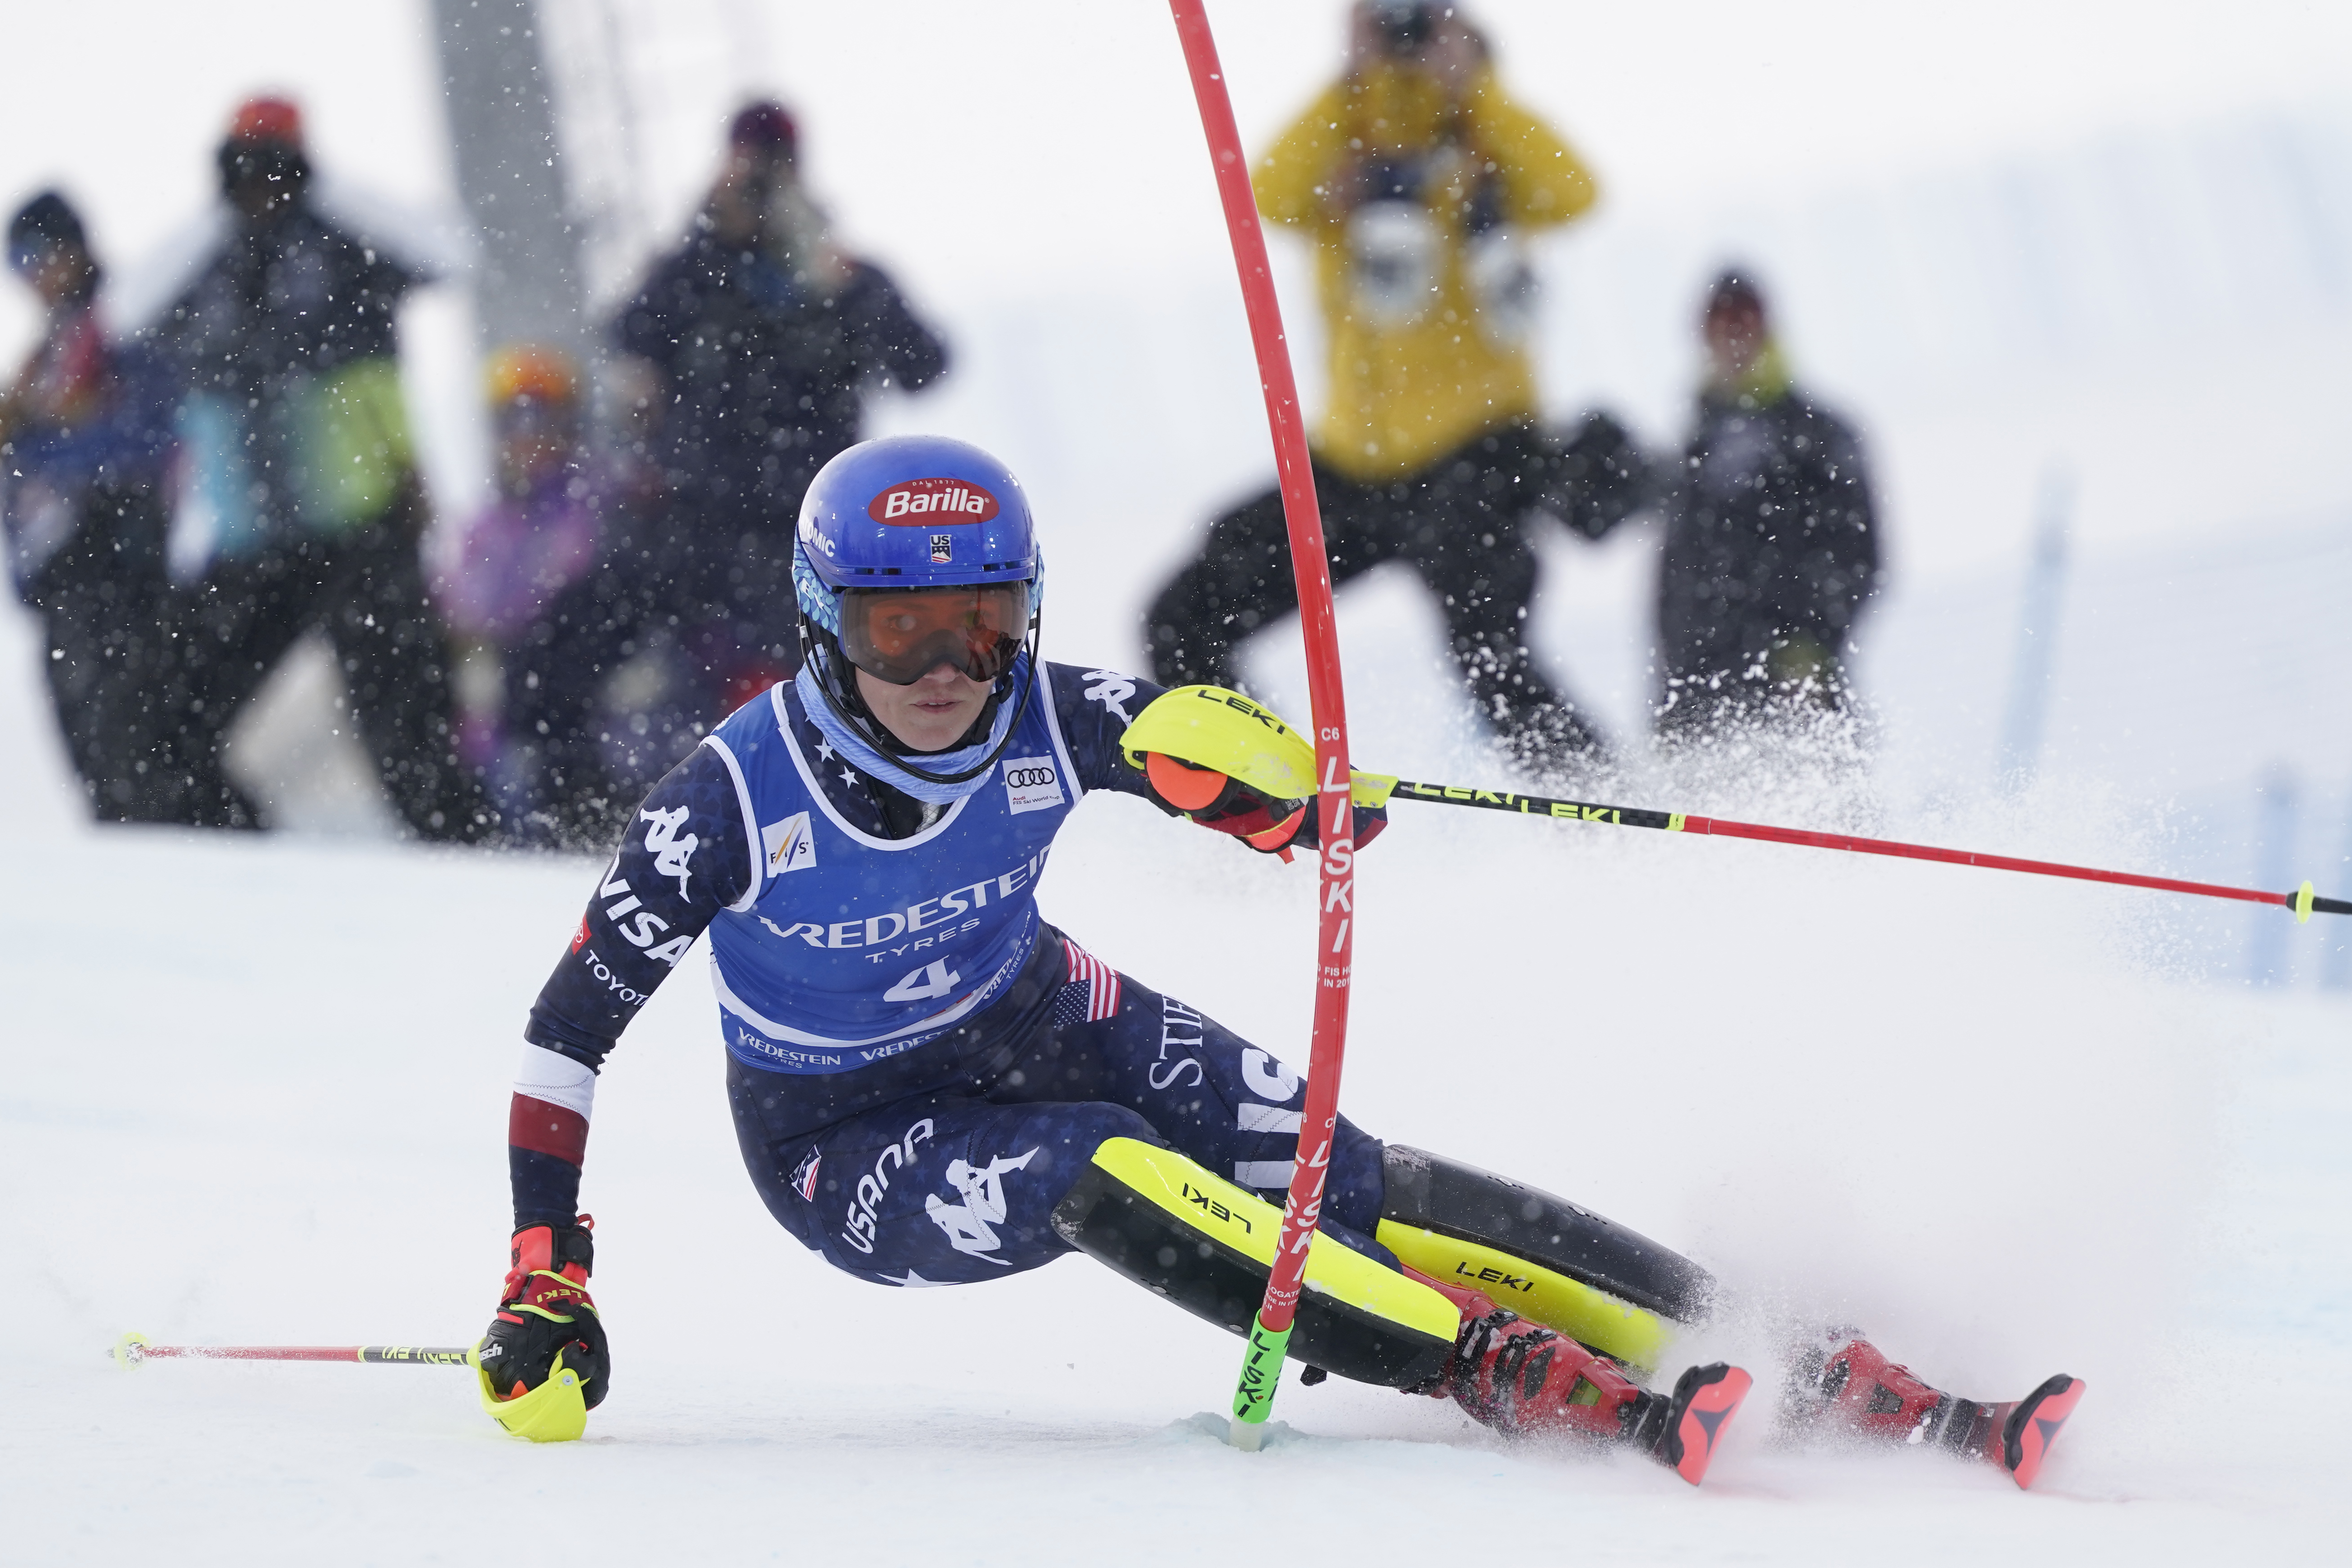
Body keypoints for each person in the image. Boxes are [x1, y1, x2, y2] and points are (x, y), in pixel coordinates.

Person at [472, 434, 2084, 1490]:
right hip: (843, 1136)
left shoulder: (1038, 707)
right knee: (1090, 1162)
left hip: (1033, 1009)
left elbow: (1193, 748)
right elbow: (565, 1032)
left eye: (982, 624)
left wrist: (1291, 804)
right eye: (903, 632)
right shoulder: (732, 796)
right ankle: (1484, 1362)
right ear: (828, 624)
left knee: (1353, 1170)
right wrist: (548, 1261)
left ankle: (1828, 1362)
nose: (948, 671)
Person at [1146, 1, 1645, 775]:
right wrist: (1348, 86)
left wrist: (1471, 92)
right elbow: (1266, 195)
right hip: (1353, 466)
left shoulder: (1491, 154)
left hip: (1475, 458)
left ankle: (1604, 806)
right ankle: (1262, 800)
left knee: (1490, 653)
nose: (1405, 47)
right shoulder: (1343, 160)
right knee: (1181, 618)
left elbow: (1576, 192)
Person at [158, 96, 489, 841]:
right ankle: (246, 867)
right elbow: (125, 314)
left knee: (412, 740)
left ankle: (472, 868)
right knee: (170, 717)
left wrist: (322, 190)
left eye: (276, 165)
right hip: (254, 545)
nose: (261, 183)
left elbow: (449, 253)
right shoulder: (209, 266)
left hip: (368, 530)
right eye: (243, 166)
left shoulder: (348, 242)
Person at [605, 99, 949, 774]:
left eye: (775, 169)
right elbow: (630, 333)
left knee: (819, 678)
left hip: (815, 521)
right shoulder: (698, 272)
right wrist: (708, 236)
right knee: (692, 675)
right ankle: (693, 797)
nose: (764, 187)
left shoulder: (836, 276)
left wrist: (848, 290)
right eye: (751, 169)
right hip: (702, 522)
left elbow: (924, 365)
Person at [1, 191, 235, 824]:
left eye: (44, 254)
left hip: (117, 562)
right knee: (104, 748)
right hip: (65, 576)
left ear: (77, 247)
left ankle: (220, 874)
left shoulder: (123, 318)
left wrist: (36, 433)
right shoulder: (50, 348)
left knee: (136, 746)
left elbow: (147, 435)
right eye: (20, 262)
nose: (36, 273)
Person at [1655, 269, 1882, 734]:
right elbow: (1675, 575)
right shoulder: (1695, 442)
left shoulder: (1819, 433)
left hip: (1796, 695)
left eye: (1743, 326)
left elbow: (1857, 553)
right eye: (1718, 329)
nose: (1732, 343)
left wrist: (1811, 646)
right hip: (1699, 702)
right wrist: (1672, 694)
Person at [427, 344, 619, 840]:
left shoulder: (595, 498)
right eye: (513, 420)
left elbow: (565, 580)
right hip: (501, 722)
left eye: (540, 418)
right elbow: (463, 606)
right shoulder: (490, 521)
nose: (527, 435)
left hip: (585, 699)